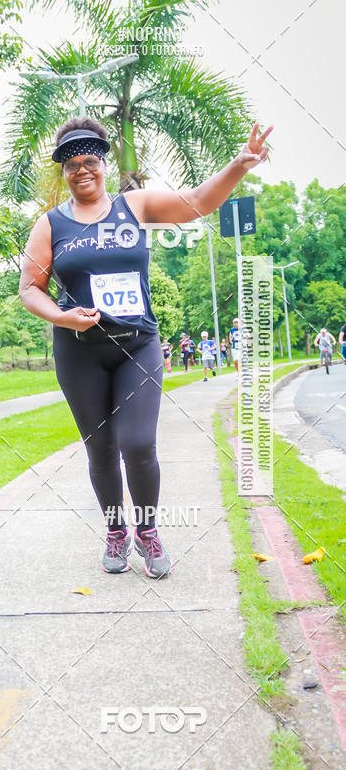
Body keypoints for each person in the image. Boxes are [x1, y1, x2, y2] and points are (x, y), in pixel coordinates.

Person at [18, 116, 272, 576]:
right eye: (72, 164)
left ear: (102, 162)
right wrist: (61, 316)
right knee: (100, 449)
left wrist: (239, 164)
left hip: (138, 344)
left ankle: (148, 531)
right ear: (64, 170)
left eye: (90, 160)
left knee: (138, 443)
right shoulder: (50, 225)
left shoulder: (132, 205)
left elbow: (196, 203)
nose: (82, 170)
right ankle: (116, 532)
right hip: (80, 351)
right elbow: (29, 288)